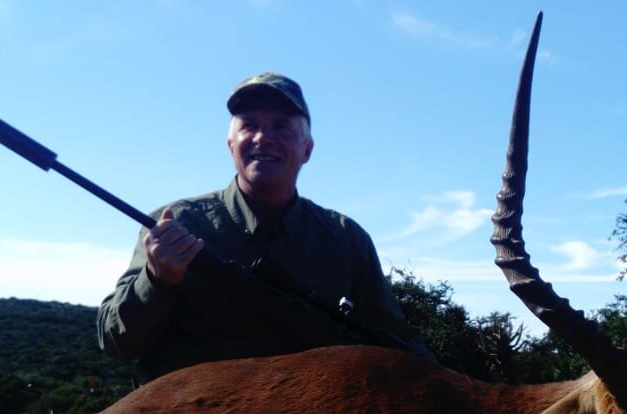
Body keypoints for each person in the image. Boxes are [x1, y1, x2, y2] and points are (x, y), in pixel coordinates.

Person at [98, 72, 429, 381]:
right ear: (231, 146)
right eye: (249, 125)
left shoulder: (347, 239)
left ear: (307, 150)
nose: (262, 138)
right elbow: (116, 343)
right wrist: (156, 281)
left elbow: (397, 342)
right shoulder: (174, 223)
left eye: (281, 127)